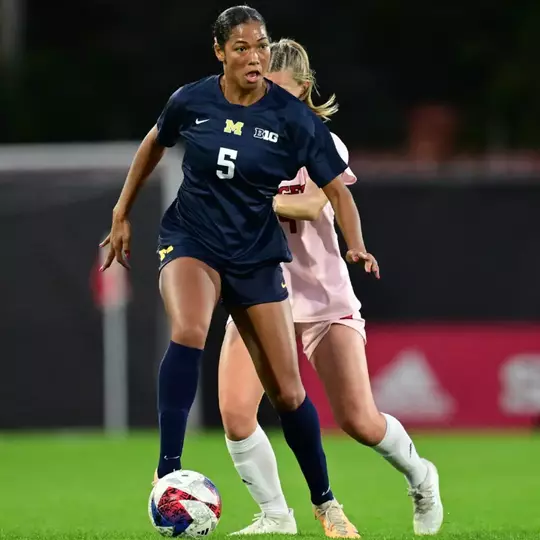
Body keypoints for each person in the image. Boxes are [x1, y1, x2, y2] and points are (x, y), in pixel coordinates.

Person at [100, 6, 373, 539]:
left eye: (261, 46)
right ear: (220, 52)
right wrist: (121, 211)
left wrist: (357, 244)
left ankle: (326, 505)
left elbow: (337, 189)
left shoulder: (291, 119)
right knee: (188, 329)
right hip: (193, 239)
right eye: (243, 47)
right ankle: (167, 469)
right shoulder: (192, 100)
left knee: (288, 392)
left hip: (254, 253)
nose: (255, 57)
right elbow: (155, 142)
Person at [219, 39, 443, 537]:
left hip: (322, 299)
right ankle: (277, 516)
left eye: (280, 90)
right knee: (236, 414)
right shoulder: (233, 145)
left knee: (360, 421)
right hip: (258, 297)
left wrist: (254, 199)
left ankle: (420, 474)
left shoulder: (321, 141)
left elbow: (312, 204)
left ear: (303, 91)